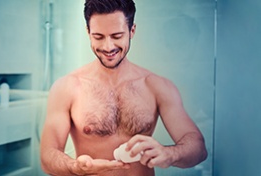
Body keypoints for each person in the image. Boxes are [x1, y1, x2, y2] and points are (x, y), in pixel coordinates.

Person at [40, 0, 207, 175]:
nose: (108, 46)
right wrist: (75, 167)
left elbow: (198, 148)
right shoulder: (67, 87)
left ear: (131, 31)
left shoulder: (156, 86)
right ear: (88, 32)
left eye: (117, 36)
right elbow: (47, 157)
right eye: (98, 37)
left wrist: (169, 154)